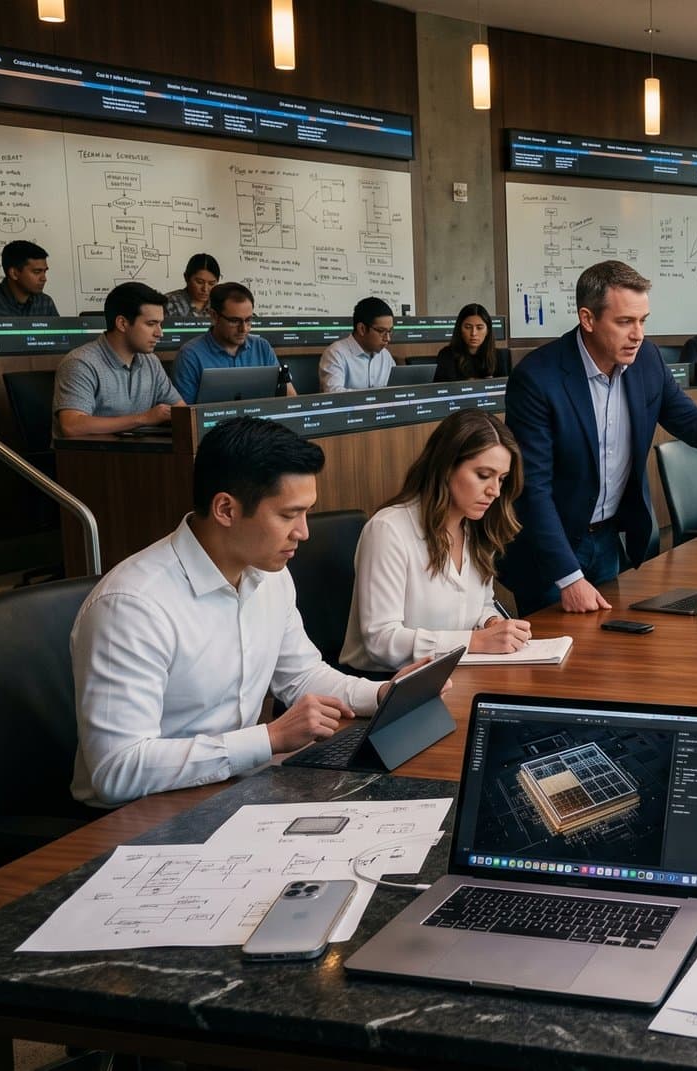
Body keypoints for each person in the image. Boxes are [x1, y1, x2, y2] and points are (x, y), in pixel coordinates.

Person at [71, 417, 443, 807]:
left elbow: (301, 676)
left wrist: (383, 694)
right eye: (288, 515)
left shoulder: (270, 576)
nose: (303, 532)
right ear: (226, 509)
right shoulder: (132, 606)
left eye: (306, 513)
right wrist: (269, 738)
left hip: (231, 789)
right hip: (137, 815)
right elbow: (117, 769)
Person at [502, 260, 697, 613]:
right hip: (548, 555)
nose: (638, 334)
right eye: (625, 322)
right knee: (556, 647)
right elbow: (532, 488)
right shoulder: (537, 378)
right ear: (587, 319)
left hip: (606, 540)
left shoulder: (646, 360)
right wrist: (569, 578)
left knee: (606, 643)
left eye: (643, 320)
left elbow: (691, 422)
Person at [342, 409, 533, 672]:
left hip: (455, 673)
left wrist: (491, 624)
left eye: (501, 479)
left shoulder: (476, 528)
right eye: (483, 475)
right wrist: (475, 641)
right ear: (446, 466)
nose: (495, 491)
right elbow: (381, 641)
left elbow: (482, 605)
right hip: (387, 683)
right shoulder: (388, 529)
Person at [51, 281, 182, 438]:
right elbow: (72, 426)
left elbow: (181, 411)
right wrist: (143, 419)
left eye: (160, 324)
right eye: (151, 324)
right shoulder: (80, 363)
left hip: (140, 451)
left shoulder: (151, 362)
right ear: (122, 323)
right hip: (91, 453)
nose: (159, 333)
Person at [170, 282, 292, 402]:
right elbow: (184, 411)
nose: (244, 329)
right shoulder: (190, 355)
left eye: (248, 320)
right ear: (214, 316)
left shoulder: (262, 347)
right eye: (234, 321)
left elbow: (289, 397)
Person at [319, 297, 397, 391]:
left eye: (390, 331)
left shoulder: (385, 355)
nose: (387, 338)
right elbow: (334, 393)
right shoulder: (335, 353)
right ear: (362, 329)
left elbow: (396, 390)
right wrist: (374, 396)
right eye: (381, 331)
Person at [0, 240, 59, 317]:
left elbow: (58, 332)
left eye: (44, 271)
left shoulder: (45, 302)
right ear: (14, 274)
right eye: (37, 272)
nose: (44, 278)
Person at [433, 303, 509, 381]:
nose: (473, 333)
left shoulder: (498, 356)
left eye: (479, 328)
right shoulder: (446, 355)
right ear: (460, 329)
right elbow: (443, 386)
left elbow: (504, 385)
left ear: (487, 331)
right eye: (468, 327)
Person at [162, 253, 221, 319]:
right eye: (199, 282)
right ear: (186, 278)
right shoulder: (168, 303)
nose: (205, 289)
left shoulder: (220, 305)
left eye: (211, 283)